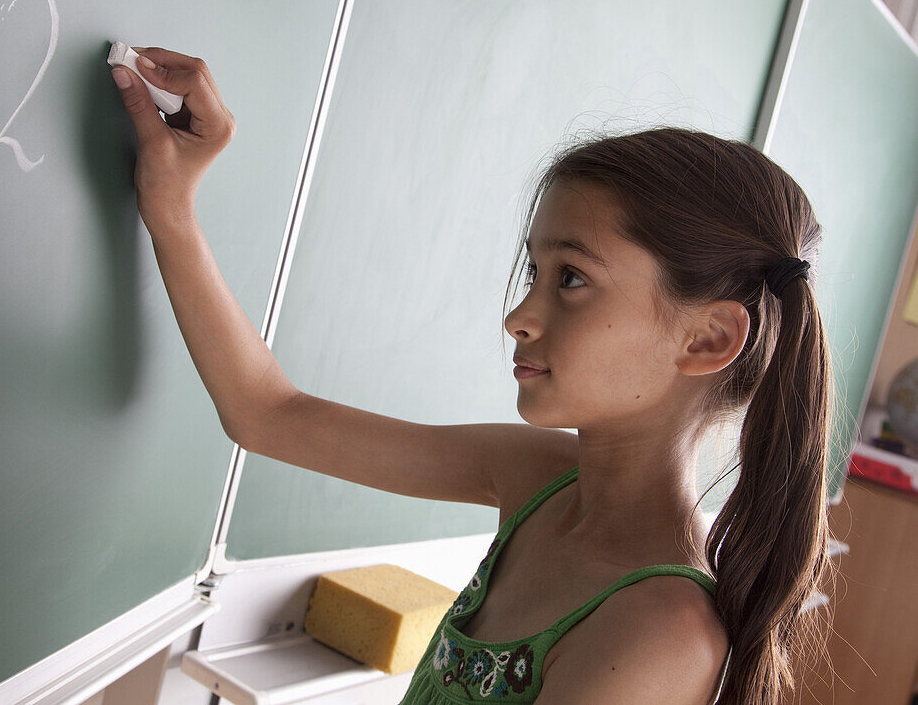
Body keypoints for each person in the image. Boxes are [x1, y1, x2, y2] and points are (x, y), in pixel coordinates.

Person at [110, 48, 835, 705]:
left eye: (573, 278)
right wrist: (171, 208)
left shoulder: (662, 629)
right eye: (534, 271)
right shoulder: (537, 480)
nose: (519, 315)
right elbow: (267, 414)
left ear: (707, 338)